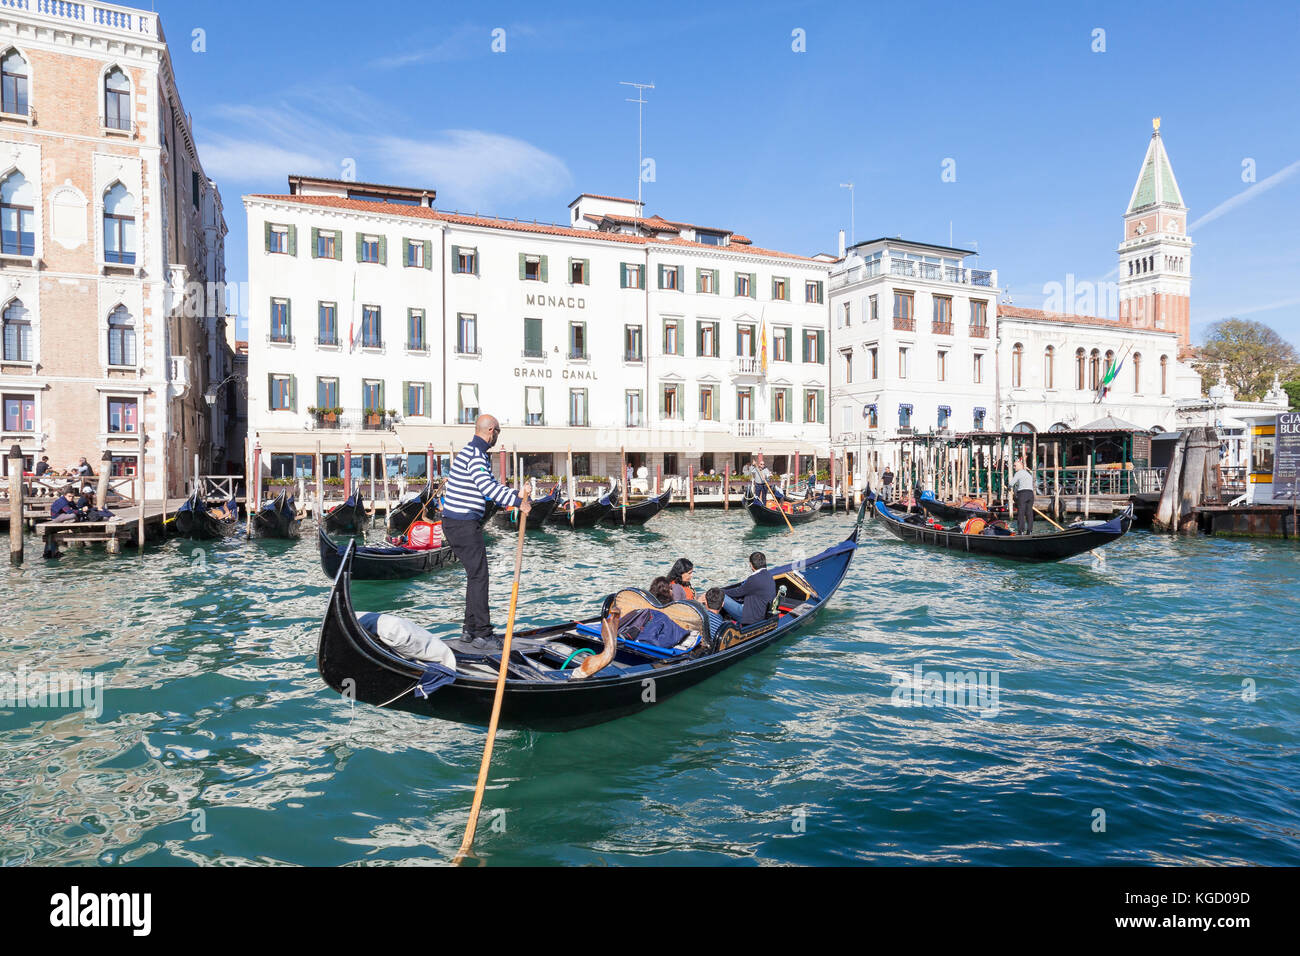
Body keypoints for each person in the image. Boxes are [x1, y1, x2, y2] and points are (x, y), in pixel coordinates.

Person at [441, 414, 531, 650]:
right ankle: (483, 633)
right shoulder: (476, 455)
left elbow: (489, 484)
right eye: (498, 432)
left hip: (455, 522)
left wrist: (515, 495)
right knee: (480, 576)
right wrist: (517, 501)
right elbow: (487, 487)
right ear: (491, 430)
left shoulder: (470, 451)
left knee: (475, 575)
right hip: (462, 524)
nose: (498, 436)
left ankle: (469, 631)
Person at [721, 551, 776, 627]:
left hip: (749, 616)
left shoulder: (754, 579)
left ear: (751, 565)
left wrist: (720, 591)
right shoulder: (769, 575)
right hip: (761, 613)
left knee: (719, 596)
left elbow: (737, 592)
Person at [1011, 457, 1035, 535]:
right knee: (1029, 513)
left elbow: (1012, 483)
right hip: (1030, 494)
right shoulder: (1028, 474)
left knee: (1021, 513)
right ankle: (1030, 531)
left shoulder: (1018, 473)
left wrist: (1008, 488)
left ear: (1020, 466)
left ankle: (1021, 531)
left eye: (1015, 466)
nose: (1014, 467)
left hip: (1023, 494)